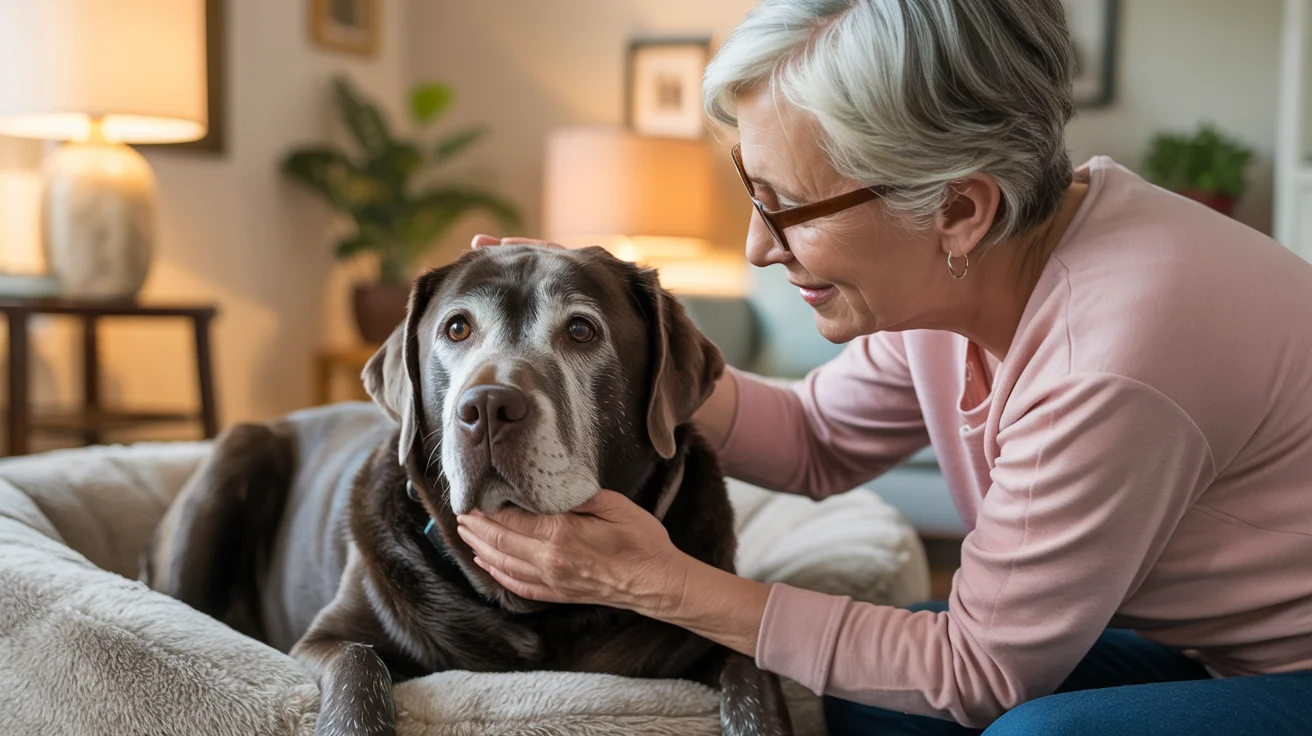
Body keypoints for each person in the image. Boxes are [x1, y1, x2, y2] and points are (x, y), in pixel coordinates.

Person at [454, 0, 1312, 733]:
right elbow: (819, 439)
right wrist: (632, 336)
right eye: (753, 191)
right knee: (852, 694)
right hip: (1212, 646)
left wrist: (653, 582)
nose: (758, 246)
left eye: (790, 206)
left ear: (960, 208)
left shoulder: (1112, 356)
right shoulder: (978, 270)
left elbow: (976, 673)